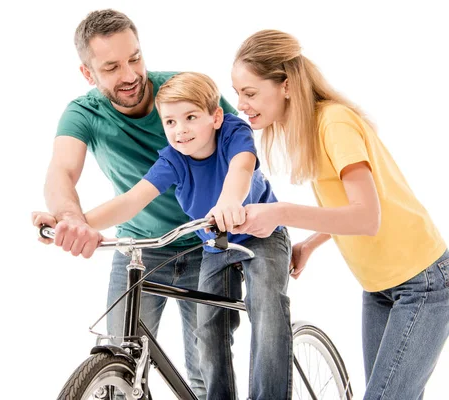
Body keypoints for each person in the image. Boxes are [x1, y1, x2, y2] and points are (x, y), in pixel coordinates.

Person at [229, 29, 449, 400]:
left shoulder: (334, 123)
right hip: (378, 286)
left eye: (249, 93)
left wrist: (280, 212)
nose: (241, 104)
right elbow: (348, 206)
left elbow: (367, 217)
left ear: (285, 84)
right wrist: (312, 243)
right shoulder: (311, 128)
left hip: (421, 282)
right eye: (238, 93)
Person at [31, 10, 237, 398]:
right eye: (111, 67)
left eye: (135, 58)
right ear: (88, 74)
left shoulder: (184, 94)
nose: (130, 75)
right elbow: (61, 171)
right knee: (119, 366)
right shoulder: (84, 113)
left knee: (207, 376)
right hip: (138, 251)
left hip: (205, 245)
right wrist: (70, 219)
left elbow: (243, 156)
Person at [83, 71, 293, 400]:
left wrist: (228, 204)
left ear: (215, 116)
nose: (180, 130)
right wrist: (77, 223)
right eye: (170, 122)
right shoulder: (174, 159)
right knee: (207, 331)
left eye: (190, 117)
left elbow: (241, 168)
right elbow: (131, 200)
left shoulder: (233, 132)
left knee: (266, 306)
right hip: (214, 245)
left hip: (261, 234)